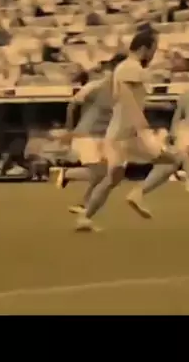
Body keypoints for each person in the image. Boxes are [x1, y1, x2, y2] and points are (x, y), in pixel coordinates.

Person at [75, 28, 178, 232]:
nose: (154, 54)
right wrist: (140, 123)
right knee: (173, 161)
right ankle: (138, 193)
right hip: (131, 132)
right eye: (154, 49)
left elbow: (126, 99)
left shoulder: (124, 68)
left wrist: (157, 106)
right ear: (144, 48)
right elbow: (126, 96)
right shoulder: (132, 68)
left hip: (118, 132)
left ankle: (84, 218)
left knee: (112, 179)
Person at [126, 71, 189, 218]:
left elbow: (178, 116)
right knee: (176, 160)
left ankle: (140, 192)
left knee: (172, 161)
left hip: (187, 128)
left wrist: (173, 132)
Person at [56, 65, 119, 213]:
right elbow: (72, 106)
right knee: (102, 173)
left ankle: (83, 203)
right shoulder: (94, 87)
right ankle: (67, 175)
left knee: (105, 173)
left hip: (101, 136)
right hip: (86, 135)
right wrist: (70, 130)